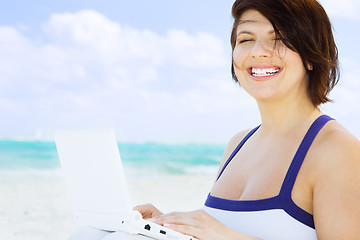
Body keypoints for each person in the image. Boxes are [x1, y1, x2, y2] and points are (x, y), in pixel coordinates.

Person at [70, 0, 360, 239]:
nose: (258, 51)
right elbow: (222, 230)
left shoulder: (336, 150)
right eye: (245, 39)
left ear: (312, 56)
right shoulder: (239, 143)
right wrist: (168, 226)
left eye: (279, 39)